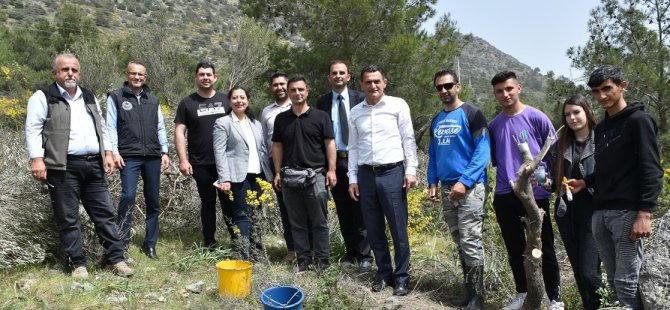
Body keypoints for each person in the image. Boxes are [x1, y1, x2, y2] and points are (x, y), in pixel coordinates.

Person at [25, 53, 133, 278]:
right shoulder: (43, 96)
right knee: (68, 217)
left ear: (79, 73)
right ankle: (78, 264)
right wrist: (37, 159)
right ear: (55, 73)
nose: (70, 73)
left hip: (93, 164)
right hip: (62, 166)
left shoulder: (88, 96)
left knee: (104, 214)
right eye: (65, 70)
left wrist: (108, 153)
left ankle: (116, 259)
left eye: (74, 69)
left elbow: (101, 126)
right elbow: (33, 128)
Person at [569, 65, 663, 309]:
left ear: (623, 86)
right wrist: (586, 182)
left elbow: (651, 169)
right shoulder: (601, 128)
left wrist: (644, 213)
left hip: (627, 213)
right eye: (596, 91)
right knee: (613, 280)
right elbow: (608, 169)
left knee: (626, 281)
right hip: (600, 213)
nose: (601, 96)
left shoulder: (639, 121)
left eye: (607, 89)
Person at [487, 71, 563, 310]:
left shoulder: (536, 117)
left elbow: (553, 153)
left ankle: (555, 299)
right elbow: (496, 161)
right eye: (499, 91)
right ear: (495, 94)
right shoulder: (495, 125)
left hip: (534, 195)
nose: (505, 94)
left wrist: (550, 183)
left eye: (509, 89)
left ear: (519, 88)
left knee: (545, 248)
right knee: (514, 248)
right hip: (505, 193)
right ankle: (521, 294)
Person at [348, 65, 418, 296]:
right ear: (361, 85)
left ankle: (402, 277)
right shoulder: (356, 111)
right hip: (366, 174)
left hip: (392, 173)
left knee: (398, 228)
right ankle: (383, 273)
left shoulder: (398, 105)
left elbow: (408, 139)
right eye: (368, 82)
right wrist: (352, 178)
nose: (373, 85)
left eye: (376, 81)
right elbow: (354, 147)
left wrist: (411, 170)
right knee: (374, 228)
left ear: (384, 82)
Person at [427, 69, 488, 309]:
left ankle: (477, 299)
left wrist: (465, 181)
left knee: (471, 241)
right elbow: (433, 154)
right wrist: (432, 182)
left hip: (470, 189)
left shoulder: (472, 113)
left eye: (448, 86)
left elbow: (482, 150)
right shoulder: (437, 119)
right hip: (446, 188)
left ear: (458, 86)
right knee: (460, 241)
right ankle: (469, 293)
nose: (444, 91)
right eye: (439, 87)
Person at [272, 76, 336, 273]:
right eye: (293, 90)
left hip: (316, 175)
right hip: (290, 176)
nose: (297, 93)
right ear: (289, 93)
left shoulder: (321, 116)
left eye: (301, 89)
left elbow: (329, 144)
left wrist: (332, 170)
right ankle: (303, 259)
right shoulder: (281, 119)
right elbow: (277, 146)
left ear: (307, 91)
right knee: (296, 221)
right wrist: (277, 172)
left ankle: (322, 259)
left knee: (319, 220)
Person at [106, 61, 169, 259]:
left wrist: (165, 151)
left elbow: (159, 127)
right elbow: (110, 126)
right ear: (127, 74)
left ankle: (150, 244)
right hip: (128, 155)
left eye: (140, 74)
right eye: (133, 74)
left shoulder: (154, 100)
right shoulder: (116, 97)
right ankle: (123, 241)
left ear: (146, 77)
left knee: (153, 200)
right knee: (128, 197)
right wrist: (114, 152)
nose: (137, 77)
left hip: (152, 155)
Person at [316, 60, 372, 271]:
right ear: (329, 78)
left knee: (361, 209)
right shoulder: (322, 102)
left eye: (342, 73)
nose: (338, 76)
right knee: (343, 209)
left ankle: (366, 255)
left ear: (349, 77)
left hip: (357, 160)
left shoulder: (360, 99)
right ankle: (351, 253)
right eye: (334, 73)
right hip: (334, 162)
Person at [548, 95, 601, 310]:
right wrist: (548, 182)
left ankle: (601, 305)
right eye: (567, 114)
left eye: (576, 112)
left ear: (587, 112)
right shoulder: (560, 145)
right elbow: (554, 181)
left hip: (594, 210)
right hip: (566, 211)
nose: (572, 117)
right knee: (578, 269)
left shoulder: (602, 140)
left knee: (589, 271)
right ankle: (589, 306)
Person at [174, 61, 235, 248]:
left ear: (215, 77)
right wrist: (183, 160)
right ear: (196, 77)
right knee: (207, 203)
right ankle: (209, 242)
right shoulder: (187, 103)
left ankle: (237, 240)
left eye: (209, 74)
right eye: (202, 74)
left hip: (226, 162)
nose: (205, 77)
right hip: (200, 163)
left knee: (229, 203)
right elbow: (179, 132)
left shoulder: (227, 101)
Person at [213, 86, 271, 261]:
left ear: (248, 100)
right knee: (242, 216)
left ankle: (257, 252)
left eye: (242, 97)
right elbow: (219, 152)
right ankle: (243, 254)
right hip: (238, 176)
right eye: (235, 98)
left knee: (256, 214)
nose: (239, 101)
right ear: (230, 101)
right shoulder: (223, 123)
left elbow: (262, 149)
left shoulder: (256, 123)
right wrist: (224, 178)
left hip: (258, 175)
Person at [259, 72, 296, 262]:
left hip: (300, 163)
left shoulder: (299, 104)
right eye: (275, 85)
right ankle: (292, 249)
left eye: (283, 84)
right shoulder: (266, 112)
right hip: (277, 166)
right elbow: (266, 142)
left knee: (305, 208)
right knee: (285, 208)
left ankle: (311, 249)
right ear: (271, 88)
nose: (279, 88)